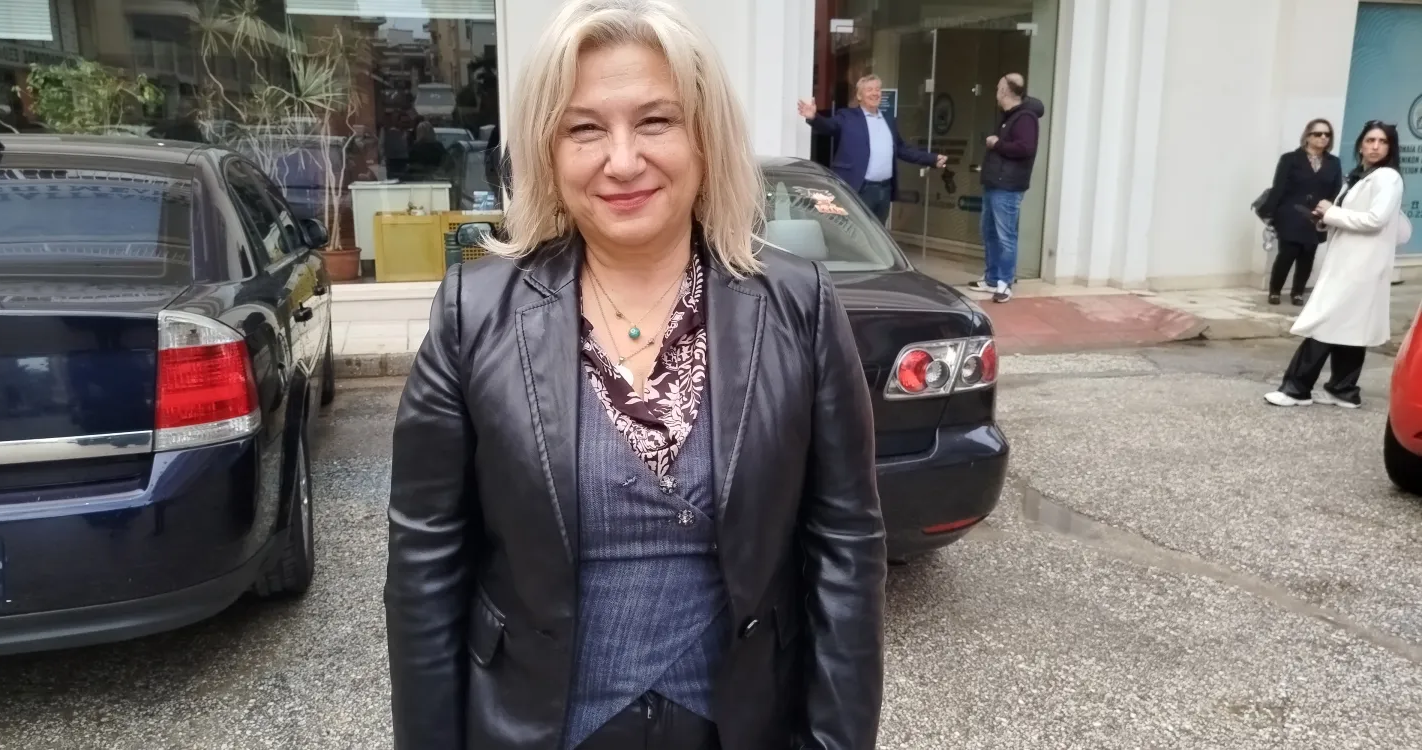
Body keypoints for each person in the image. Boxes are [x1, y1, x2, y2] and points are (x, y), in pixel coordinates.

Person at [386, 1, 887, 749]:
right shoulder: (474, 312)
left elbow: (846, 548)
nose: (622, 160)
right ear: (548, 150)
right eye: (585, 129)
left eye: (655, 121)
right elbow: (425, 564)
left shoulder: (799, 304)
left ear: (704, 137)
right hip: (535, 728)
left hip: (743, 726)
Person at [1265, 121, 1409, 409]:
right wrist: (1326, 218)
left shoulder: (1387, 177)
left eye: (1382, 142)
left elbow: (1375, 219)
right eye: (1370, 140)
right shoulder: (1362, 175)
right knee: (1351, 327)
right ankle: (1343, 390)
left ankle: (1296, 389)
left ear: (1391, 148)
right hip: (1353, 262)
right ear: (1360, 145)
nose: (1375, 146)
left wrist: (1332, 213)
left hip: (1360, 266)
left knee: (1325, 322)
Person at [797, 75, 946, 223]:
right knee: (855, 230)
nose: (875, 93)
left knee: (877, 233)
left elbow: (902, 149)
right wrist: (814, 117)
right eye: (869, 90)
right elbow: (829, 127)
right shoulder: (848, 117)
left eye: (877, 89)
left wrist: (932, 159)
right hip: (859, 188)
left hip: (884, 190)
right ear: (859, 96)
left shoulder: (888, 119)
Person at [967, 73, 1043, 304]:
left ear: (1005, 92)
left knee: (1005, 235)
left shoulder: (1025, 118)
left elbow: (1025, 148)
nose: (996, 92)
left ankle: (1005, 283)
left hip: (1008, 186)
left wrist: (997, 144)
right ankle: (991, 278)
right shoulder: (1009, 116)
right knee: (989, 232)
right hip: (994, 182)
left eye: (998, 87)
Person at [1257, 118, 1344, 306]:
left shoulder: (1333, 162)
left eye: (1327, 134)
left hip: (1316, 217)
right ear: (1307, 136)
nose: (1323, 137)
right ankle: (1275, 291)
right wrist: (1270, 215)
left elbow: (1336, 189)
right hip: (1291, 214)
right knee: (1287, 254)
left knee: (1308, 255)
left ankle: (1297, 293)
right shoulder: (1290, 159)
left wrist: (1327, 209)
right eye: (1318, 133)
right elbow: (1279, 187)